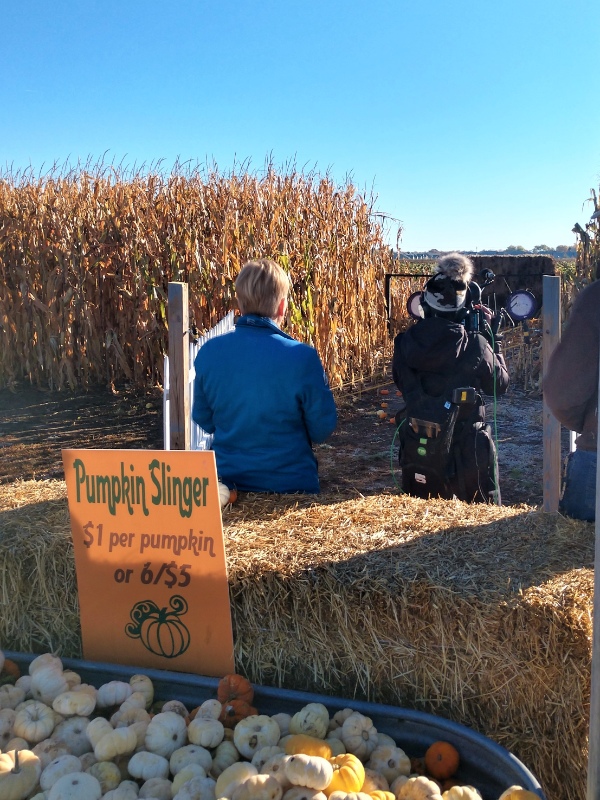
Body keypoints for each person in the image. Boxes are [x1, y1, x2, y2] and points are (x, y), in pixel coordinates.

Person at [191, 258, 337, 494]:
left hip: (229, 488)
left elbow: (203, 419)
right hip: (292, 487)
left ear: (239, 302)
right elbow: (322, 429)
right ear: (282, 307)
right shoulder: (303, 357)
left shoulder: (209, 352)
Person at [392, 252, 509, 503]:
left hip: (419, 451)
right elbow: (500, 386)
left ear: (424, 306)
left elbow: (400, 381)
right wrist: (494, 343)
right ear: (464, 306)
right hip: (466, 459)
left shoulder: (403, 343)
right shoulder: (475, 345)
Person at [544, 278, 599, 522]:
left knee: (576, 544)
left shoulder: (595, 298)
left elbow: (564, 392)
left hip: (596, 454)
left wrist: (587, 424)